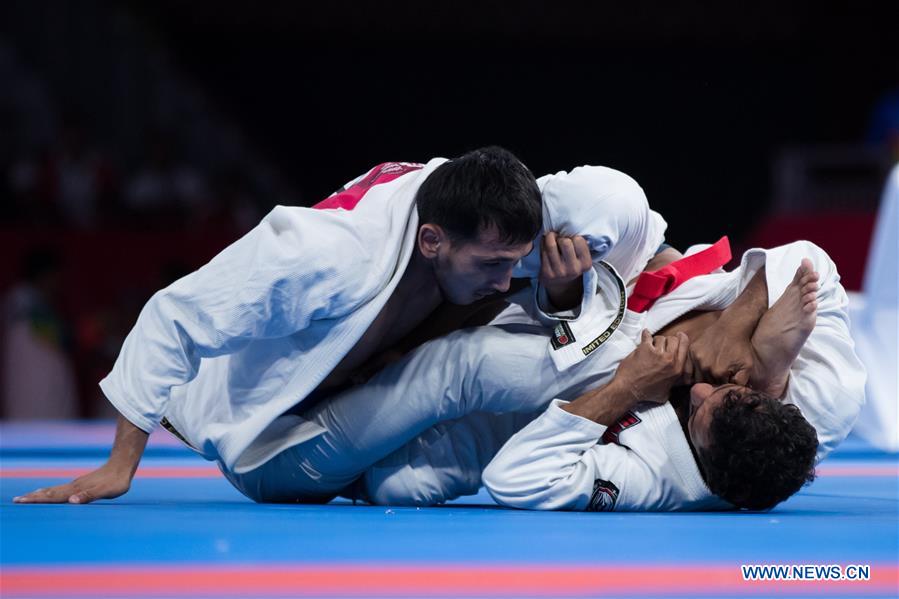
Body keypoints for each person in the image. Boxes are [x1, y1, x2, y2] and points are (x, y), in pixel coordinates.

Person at [14, 154, 667, 504]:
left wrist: (558, 291)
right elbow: (175, 314)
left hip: (362, 407)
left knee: (417, 469)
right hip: (272, 450)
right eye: (493, 265)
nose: (505, 280)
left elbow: (619, 232)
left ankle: (394, 478)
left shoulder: (497, 221)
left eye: (513, 263)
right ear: (431, 240)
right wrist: (119, 464)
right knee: (470, 363)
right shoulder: (319, 254)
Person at [361, 241, 864, 511]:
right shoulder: (830, 397)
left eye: (700, 407)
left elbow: (513, 480)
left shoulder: (659, 483)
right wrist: (741, 332)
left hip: (530, 423)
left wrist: (628, 389)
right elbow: (811, 258)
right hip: (637, 295)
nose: (704, 385)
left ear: (705, 464)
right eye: (735, 389)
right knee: (470, 358)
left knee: (395, 486)